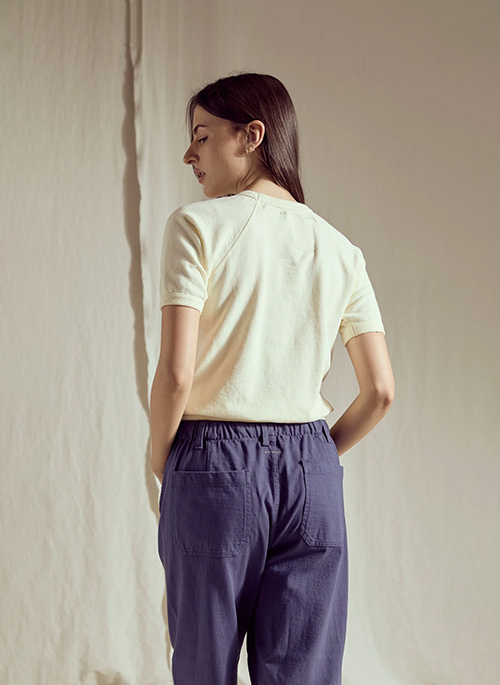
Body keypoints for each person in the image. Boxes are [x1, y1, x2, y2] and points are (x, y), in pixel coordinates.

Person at [150, 71, 395, 685]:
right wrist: (314, 456)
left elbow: (176, 373)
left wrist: (162, 458)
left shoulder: (196, 226)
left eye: (202, 136)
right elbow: (380, 391)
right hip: (313, 472)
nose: (189, 155)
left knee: (203, 666)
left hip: (212, 464)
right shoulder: (340, 249)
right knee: (304, 672)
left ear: (252, 135)